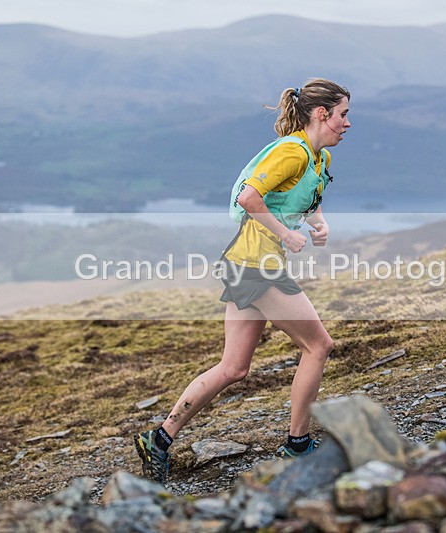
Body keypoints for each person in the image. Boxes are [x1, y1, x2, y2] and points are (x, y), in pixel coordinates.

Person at [134, 78, 351, 484]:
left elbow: (308, 201)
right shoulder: (292, 151)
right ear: (322, 115)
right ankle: (297, 443)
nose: (347, 124)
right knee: (319, 345)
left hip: (244, 264)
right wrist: (286, 235)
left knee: (233, 368)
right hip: (256, 266)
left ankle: (159, 439)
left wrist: (319, 225)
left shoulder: (319, 160)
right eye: (343, 115)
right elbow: (249, 197)